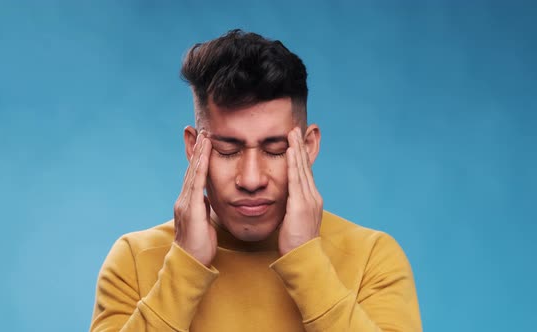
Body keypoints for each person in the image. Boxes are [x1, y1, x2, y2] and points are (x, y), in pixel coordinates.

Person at [89, 29, 422, 332]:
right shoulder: (133, 259)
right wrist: (184, 267)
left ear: (307, 148)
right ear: (194, 148)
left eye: (275, 150)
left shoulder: (371, 258)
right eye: (227, 149)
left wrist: (306, 262)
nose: (251, 179)